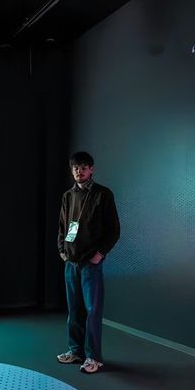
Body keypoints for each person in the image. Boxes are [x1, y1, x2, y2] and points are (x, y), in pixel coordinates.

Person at [56, 151, 120, 374]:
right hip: (70, 263)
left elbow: (114, 230)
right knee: (74, 309)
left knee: (92, 310)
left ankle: (94, 357)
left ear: (91, 169)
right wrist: (63, 252)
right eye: (75, 167)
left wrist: (99, 254)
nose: (79, 171)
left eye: (83, 167)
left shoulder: (103, 194)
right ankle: (75, 351)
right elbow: (63, 229)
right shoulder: (68, 196)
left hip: (91, 263)